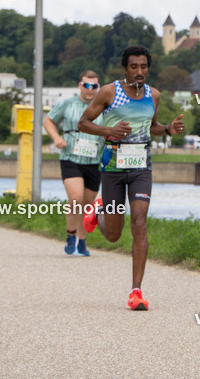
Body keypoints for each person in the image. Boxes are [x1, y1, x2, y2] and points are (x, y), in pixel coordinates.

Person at [78, 45, 184, 311]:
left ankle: (136, 291)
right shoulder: (109, 92)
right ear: (125, 68)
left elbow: (152, 128)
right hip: (113, 168)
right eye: (134, 67)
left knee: (139, 222)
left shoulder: (153, 95)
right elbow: (84, 122)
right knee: (113, 235)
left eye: (144, 67)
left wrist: (169, 129)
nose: (139, 72)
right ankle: (98, 210)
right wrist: (108, 130)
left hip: (141, 169)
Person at [42, 71, 104, 256]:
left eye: (94, 86)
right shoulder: (67, 104)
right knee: (76, 199)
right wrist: (56, 138)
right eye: (87, 85)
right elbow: (48, 121)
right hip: (71, 159)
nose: (90, 90)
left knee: (86, 205)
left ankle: (82, 242)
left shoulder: (103, 108)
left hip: (93, 161)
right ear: (80, 85)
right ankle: (71, 234)